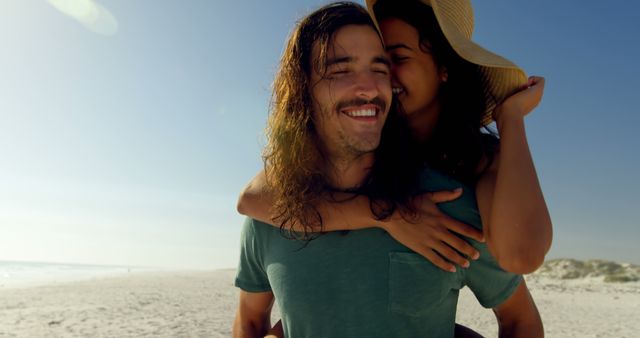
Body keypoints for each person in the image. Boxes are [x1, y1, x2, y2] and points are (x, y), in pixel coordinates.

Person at [232, 3, 543, 337]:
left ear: (444, 69)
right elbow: (251, 315)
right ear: (303, 89)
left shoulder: (449, 200)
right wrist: (385, 213)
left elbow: (520, 312)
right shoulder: (276, 212)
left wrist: (510, 119)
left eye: (383, 66)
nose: (371, 86)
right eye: (340, 71)